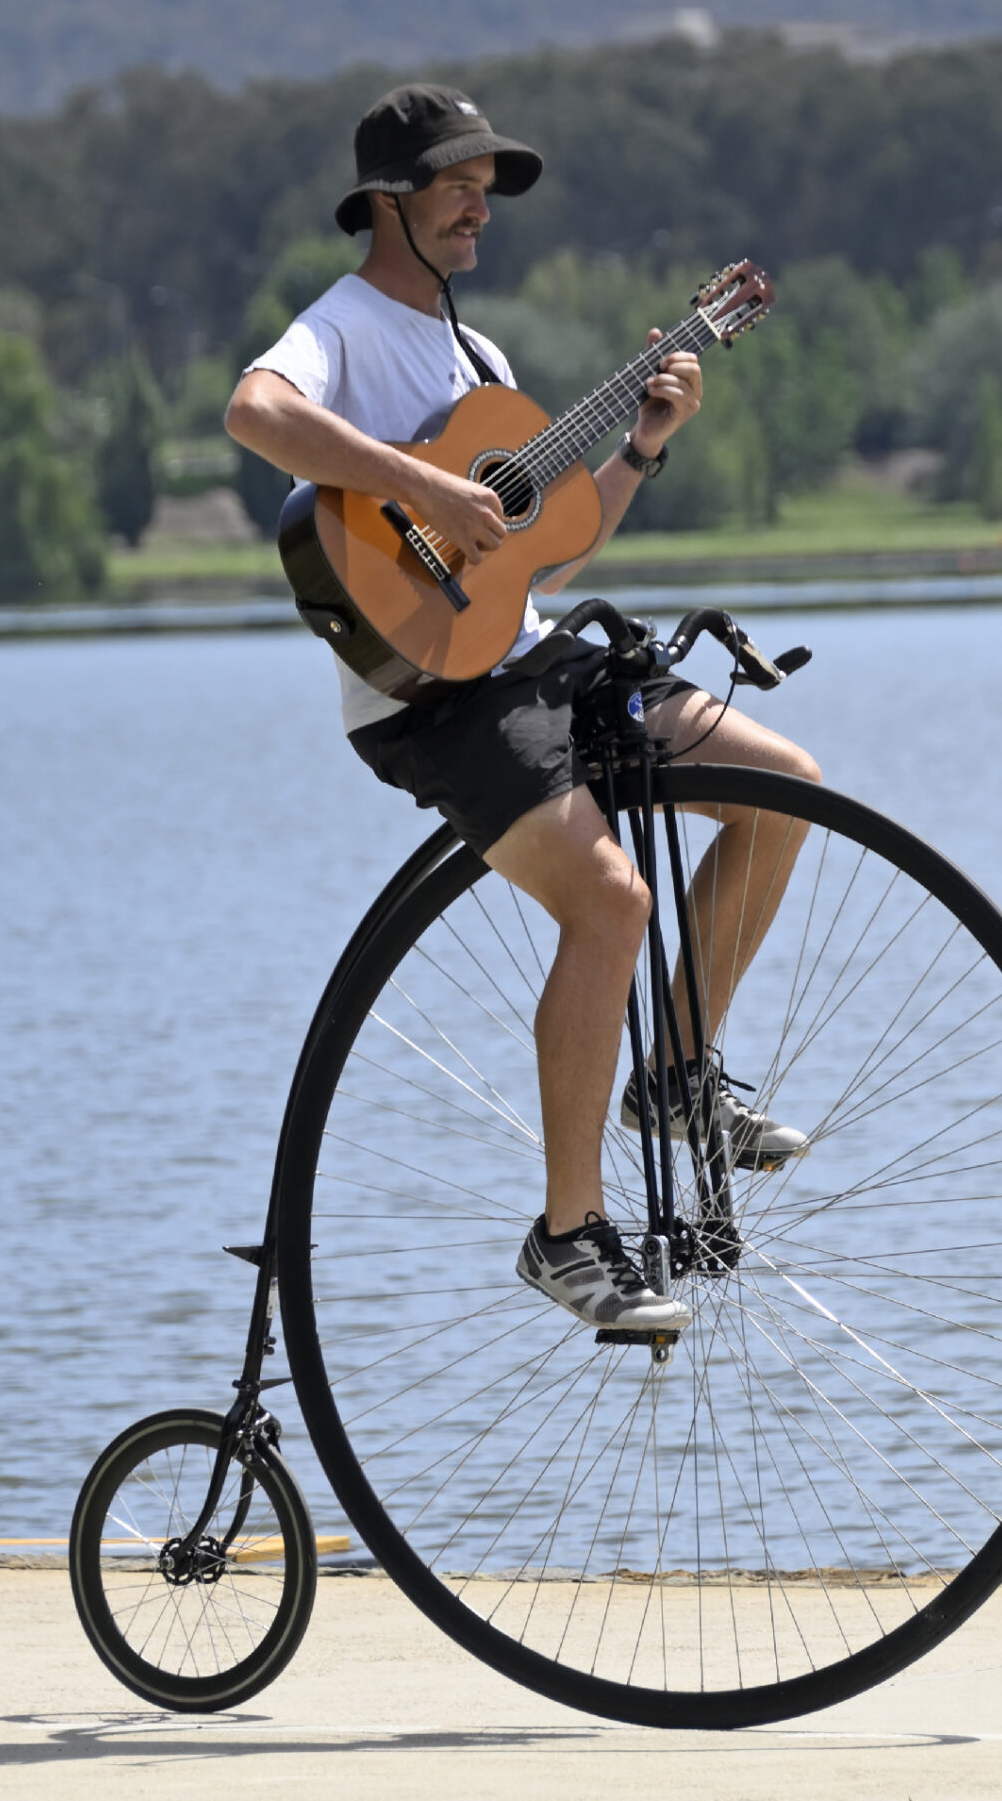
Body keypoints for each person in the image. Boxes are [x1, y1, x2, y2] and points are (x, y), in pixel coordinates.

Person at [225, 84, 818, 1335]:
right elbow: (255, 415)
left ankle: (670, 1077)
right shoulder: (338, 329)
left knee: (783, 792)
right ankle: (566, 1235)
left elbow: (543, 547)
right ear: (384, 202)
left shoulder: (479, 361)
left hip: (527, 656)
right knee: (612, 901)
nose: (477, 207)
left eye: (485, 189)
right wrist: (416, 487)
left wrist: (643, 444)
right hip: (430, 699)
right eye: (453, 185)